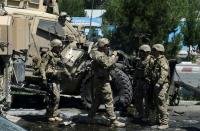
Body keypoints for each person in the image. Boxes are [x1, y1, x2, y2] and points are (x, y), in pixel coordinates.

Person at [89, 38, 125, 127]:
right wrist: (113, 56)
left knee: (97, 99)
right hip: (102, 80)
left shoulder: (100, 53)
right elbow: (108, 63)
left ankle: (90, 117)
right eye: (107, 46)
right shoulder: (98, 54)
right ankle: (113, 120)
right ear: (103, 46)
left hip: (100, 79)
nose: (108, 47)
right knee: (109, 99)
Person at [39, 39, 63, 122]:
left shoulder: (58, 55)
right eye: (59, 47)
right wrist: (44, 78)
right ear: (55, 47)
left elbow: (62, 66)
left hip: (57, 79)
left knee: (57, 98)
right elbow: (42, 67)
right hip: (50, 79)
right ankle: (49, 114)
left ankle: (55, 114)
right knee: (52, 97)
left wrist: (68, 74)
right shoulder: (48, 55)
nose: (61, 48)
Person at [151, 44, 169, 129]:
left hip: (161, 85)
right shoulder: (156, 60)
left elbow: (164, 73)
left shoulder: (162, 60)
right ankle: (159, 122)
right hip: (157, 84)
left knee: (161, 103)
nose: (152, 52)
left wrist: (159, 83)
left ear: (158, 51)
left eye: (154, 50)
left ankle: (165, 123)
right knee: (157, 103)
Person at [134, 44, 154, 121]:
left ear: (146, 52)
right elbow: (137, 70)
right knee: (137, 98)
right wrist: (135, 80)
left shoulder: (151, 61)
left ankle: (147, 116)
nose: (139, 53)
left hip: (147, 82)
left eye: (141, 51)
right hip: (139, 81)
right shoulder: (139, 60)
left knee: (147, 100)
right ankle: (141, 113)